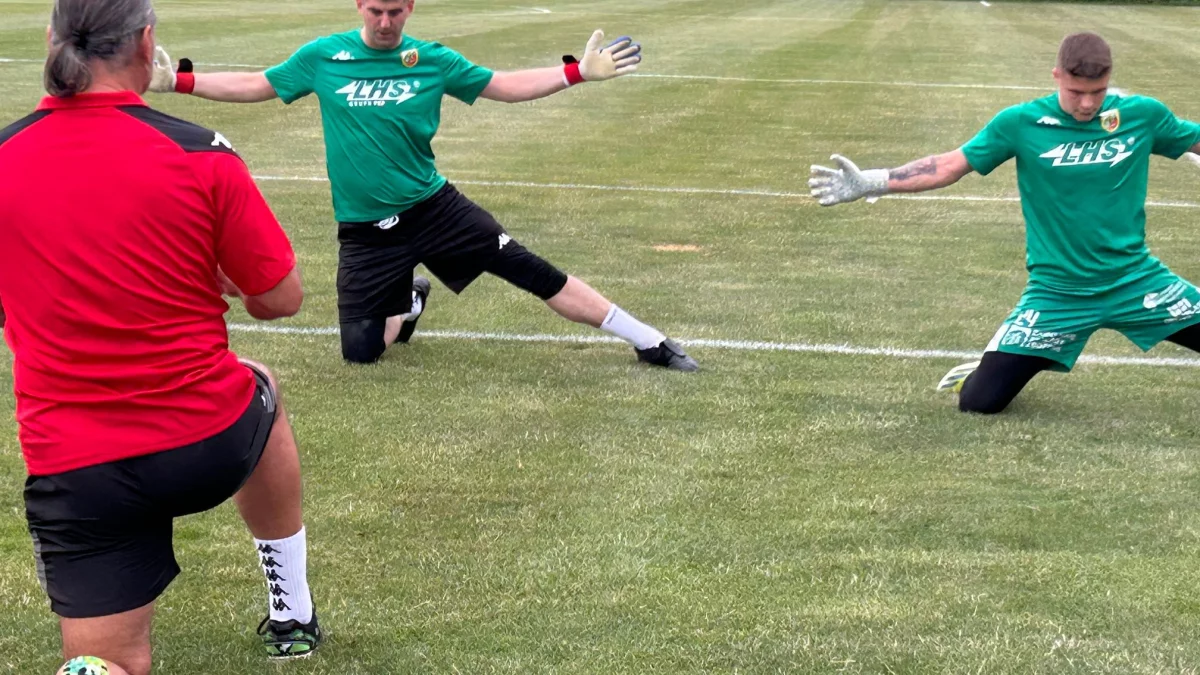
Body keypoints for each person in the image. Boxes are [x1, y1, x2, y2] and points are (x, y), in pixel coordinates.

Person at [0, 1, 321, 672]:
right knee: (261, 385)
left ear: (52, 40)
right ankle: (292, 609)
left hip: (77, 469)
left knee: (105, 664)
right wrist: (225, 279)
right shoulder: (200, 151)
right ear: (147, 43)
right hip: (205, 442)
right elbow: (281, 299)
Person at [148, 0, 698, 371]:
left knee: (533, 272)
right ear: (359, 6)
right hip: (365, 230)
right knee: (360, 353)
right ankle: (411, 298)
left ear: (409, 7)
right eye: (376, 10)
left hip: (434, 210)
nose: (385, 22)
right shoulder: (324, 57)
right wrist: (180, 82)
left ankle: (648, 339)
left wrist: (574, 73)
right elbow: (258, 84)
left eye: (395, 10)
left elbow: (505, 86)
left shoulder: (431, 60)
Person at [808, 32, 1200, 414]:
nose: (1086, 104)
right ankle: (982, 369)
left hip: (1138, 283)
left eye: (1097, 92)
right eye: (1076, 92)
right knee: (980, 402)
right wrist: (874, 181)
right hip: (1058, 294)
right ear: (1057, 76)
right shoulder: (1020, 123)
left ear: (1109, 79)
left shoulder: (1142, 116)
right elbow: (949, 166)